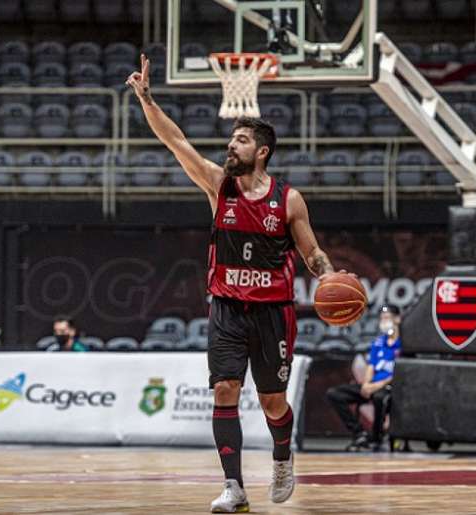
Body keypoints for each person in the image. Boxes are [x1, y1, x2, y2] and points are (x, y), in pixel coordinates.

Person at [127, 54, 352, 513]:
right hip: (227, 308)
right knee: (225, 390)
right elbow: (176, 141)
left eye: (242, 140)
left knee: (272, 403)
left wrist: (327, 275)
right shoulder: (217, 186)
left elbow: (311, 253)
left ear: (262, 151)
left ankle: (283, 457)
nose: (232, 146)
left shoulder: (288, 200)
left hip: (273, 313)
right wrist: (147, 99)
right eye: (232, 139)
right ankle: (234, 487)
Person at [326, 305, 402, 452]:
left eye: (387, 318)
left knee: (380, 398)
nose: (384, 322)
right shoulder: (378, 343)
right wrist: (366, 384)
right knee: (334, 394)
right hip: (372, 385)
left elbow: (401, 372)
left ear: (397, 319)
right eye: (382, 319)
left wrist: (377, 385)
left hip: (390, 387)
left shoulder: (405, 344)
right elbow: (370, 366)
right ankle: (359, 433)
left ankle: (377, 437)